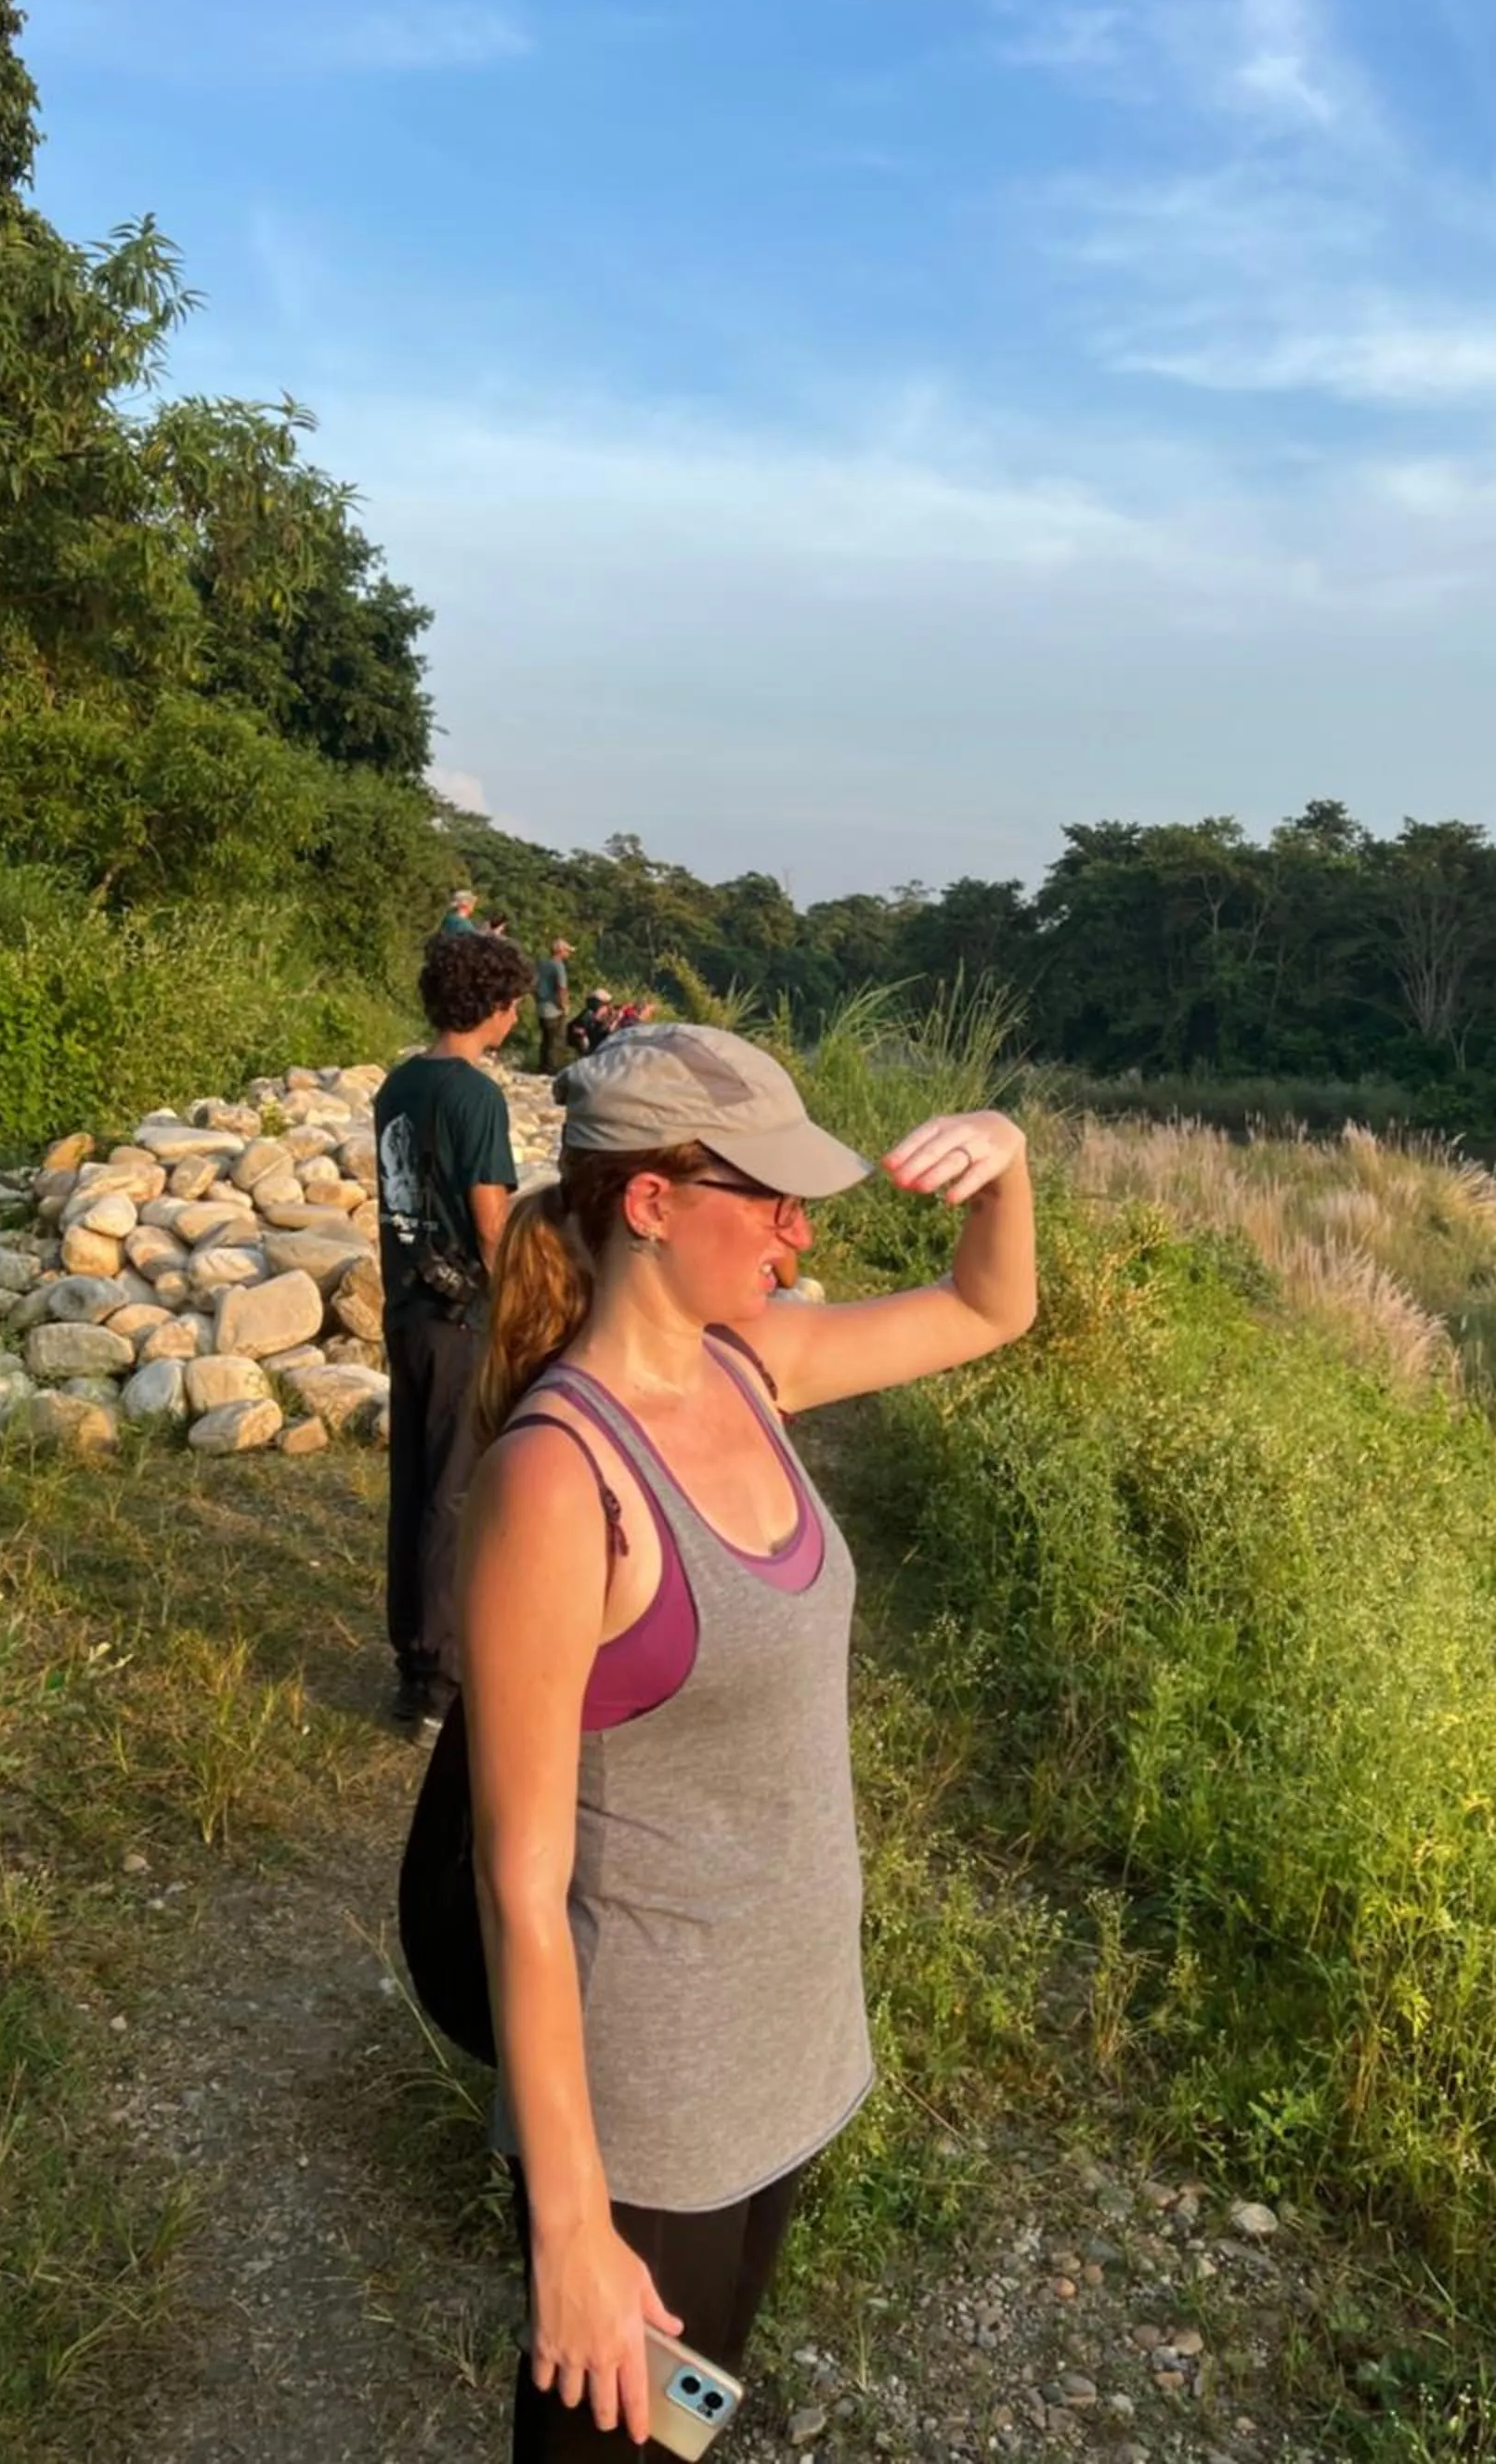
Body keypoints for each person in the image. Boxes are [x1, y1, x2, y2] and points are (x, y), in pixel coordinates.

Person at [459, 1023, 1034, 2458]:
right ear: (652, 1204)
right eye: (768, 1197)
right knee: (611, 2444)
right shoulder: (558, 1478)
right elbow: (517, 1881)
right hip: (652, 2110)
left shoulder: (750, 1367)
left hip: (781, 2048)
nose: (798, 1230)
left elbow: (986, 1307)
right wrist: (571, 2227)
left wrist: (1006, 1163)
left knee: (690, 2429)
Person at [373, 927, 535, 1727]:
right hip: (459, 1316)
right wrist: (524, 1307)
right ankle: (440, 1678)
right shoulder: (478, 1097)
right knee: (453, 1491)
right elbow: (491, 1221)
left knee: (413, 1483)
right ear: (494, 1006)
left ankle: (414, 1652)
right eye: (514, 1005)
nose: (517, 1018)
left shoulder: (397, 1085)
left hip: (405, 1306)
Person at [534, 938, 576, 1076]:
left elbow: (533, 983)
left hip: (541, 1008)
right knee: (556, 1041)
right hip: (554, 1009)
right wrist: (564, 1006)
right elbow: (562, 988)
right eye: (567, 951)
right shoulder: (559, 966)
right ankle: (552, 1070)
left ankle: (542, 1067)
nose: (568, 954)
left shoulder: (541, 964)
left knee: (545, 1039)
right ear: (560, 951)